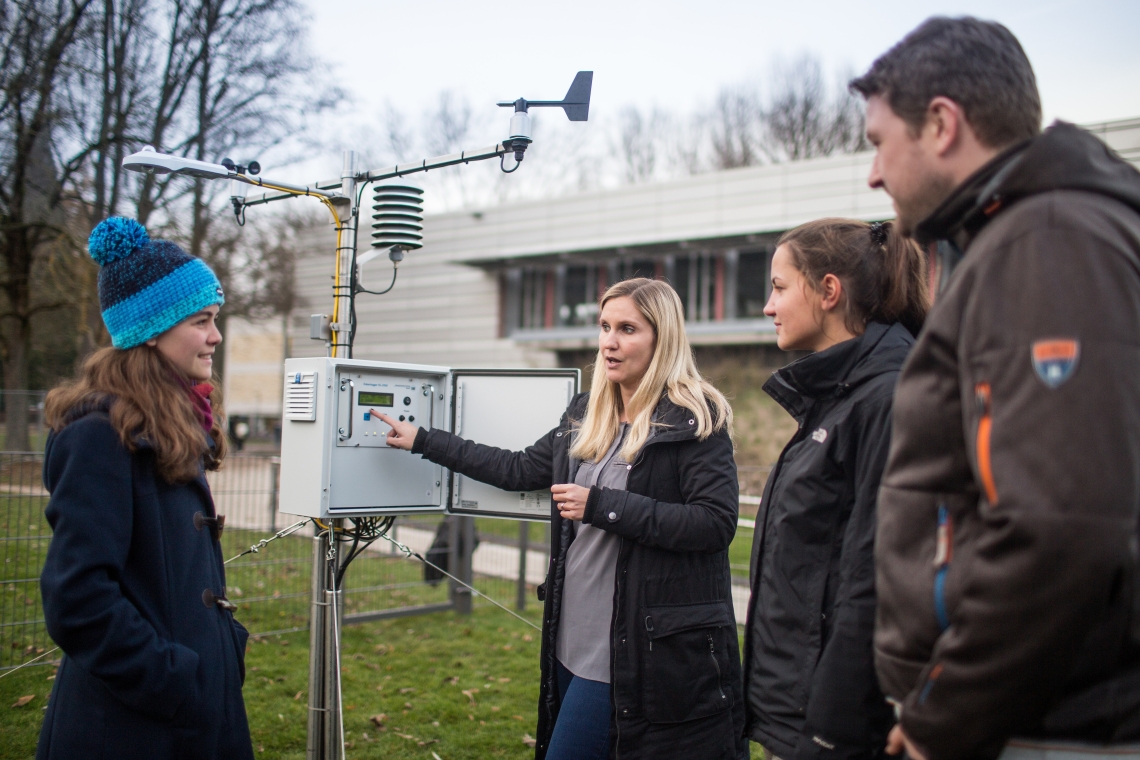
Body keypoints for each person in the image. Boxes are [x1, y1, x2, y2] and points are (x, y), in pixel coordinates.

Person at [850, 16, 1140, 760]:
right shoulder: (1024, 236)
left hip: (1048, 725)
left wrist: (942, 715)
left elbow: (1057, 524)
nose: (874, 174)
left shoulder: (1048, 243)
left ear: (942, 124)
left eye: (880, 143)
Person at [377, 277, 747, 760]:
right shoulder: (588, 412)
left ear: (663, 337)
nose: (609, 342)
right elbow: (516, 468)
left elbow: (714, 523)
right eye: (604, 326)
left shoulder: (695, 417)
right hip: (570, 638)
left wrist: (602, 505)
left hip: (636, 647)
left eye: (627, 329)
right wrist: (425, 439)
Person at [37, 217, 252, 760]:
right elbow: (78, 600)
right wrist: (173, 679)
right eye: (201, 320)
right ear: (151, 329)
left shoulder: (170, 422)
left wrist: (225, 647)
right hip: (134, 728)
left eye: (215, 319)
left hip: (193, 710)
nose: (215, 336)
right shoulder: (97, 437)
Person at [742, 219, 928, 760]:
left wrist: (830, 728)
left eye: (779, 287)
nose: (767, 306)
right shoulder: (838, 396)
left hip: (831, 729)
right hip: (798, 715)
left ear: (828, 291)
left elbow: (875, 579)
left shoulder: (886, 400)